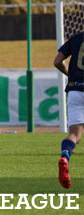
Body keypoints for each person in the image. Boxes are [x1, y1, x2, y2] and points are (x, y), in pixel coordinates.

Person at [53, 31, 84, 189]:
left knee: (75, 134)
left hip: (75, 91)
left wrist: (70, 75)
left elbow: (57, 61)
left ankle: (65, 155)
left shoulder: (76, 38)